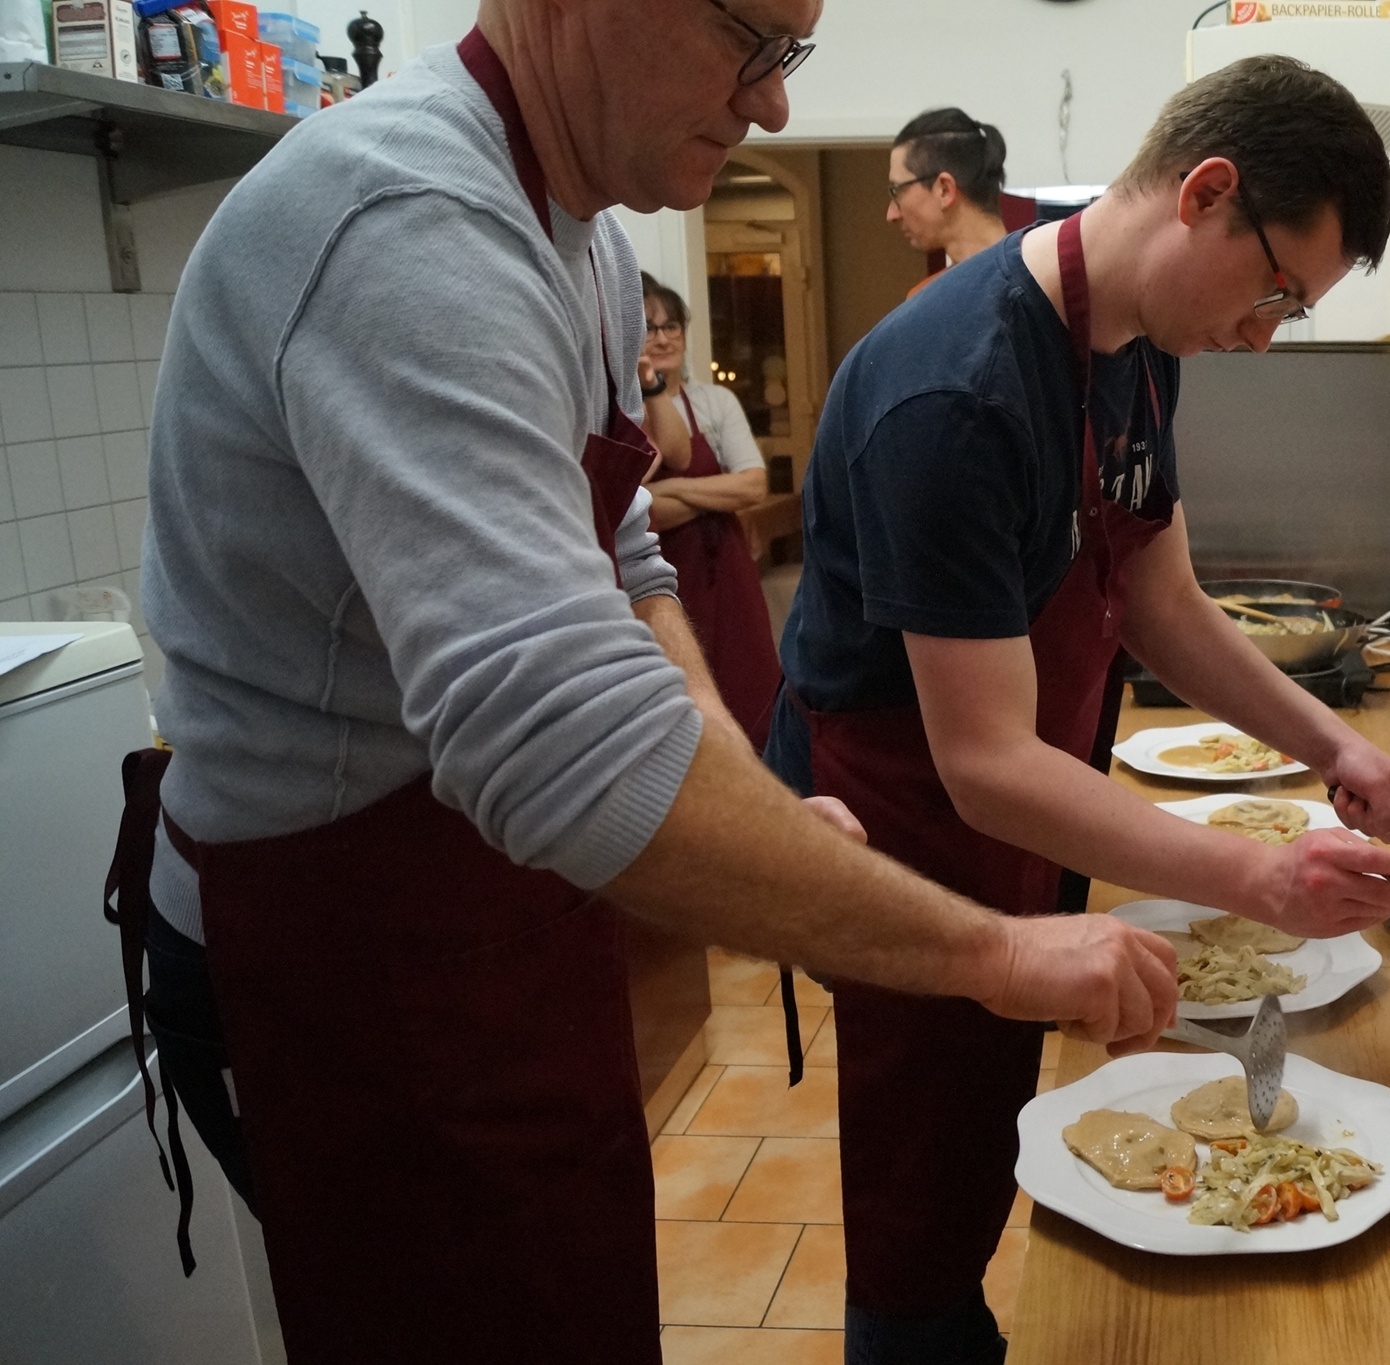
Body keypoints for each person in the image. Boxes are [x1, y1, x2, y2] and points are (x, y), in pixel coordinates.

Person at [111, 0, 1180, 1361]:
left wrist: (742, 789)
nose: (773, 103)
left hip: (504, 915)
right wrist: (1000, 951)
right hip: (346, 954)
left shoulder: (591, 244)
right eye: (749, 37)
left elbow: (624, 560)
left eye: (790, 54)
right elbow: (555, 745)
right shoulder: (404, 223)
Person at [769, 53, 1390, 1364]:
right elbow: (980, 763)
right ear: (1206, 193)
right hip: (911, 828)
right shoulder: (954, 393)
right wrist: (1262, 878)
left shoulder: (1137, 347)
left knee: (1003, 1126)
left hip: (1031, 798)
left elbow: (1162, 603)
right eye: (1276, 293)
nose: (1264, 334)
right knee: (921, 1196)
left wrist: (1335, 743)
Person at [637, 271, 783, 748]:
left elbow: (752, 485)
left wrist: (675, 488)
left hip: (724, 571)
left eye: (671, 326)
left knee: (750, 692)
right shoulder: (629, 410)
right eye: (650, 328)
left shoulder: (716, 402)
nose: (663, 338)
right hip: (659, 579)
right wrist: (712, 496)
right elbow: (644, 513)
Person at [887, 106, 1010, 297]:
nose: (891, 215)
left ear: (944, 190)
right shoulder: (925, 298)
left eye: (898, 190)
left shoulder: (1041, 282)